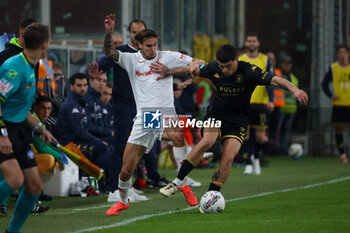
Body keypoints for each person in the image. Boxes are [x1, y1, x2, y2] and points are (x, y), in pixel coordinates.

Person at [158, 44, 308, 211]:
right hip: (216, 115)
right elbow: (191, 69)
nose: (224, 70)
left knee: (228, 157)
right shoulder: (213, 67)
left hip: (238, 122)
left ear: (236, 59)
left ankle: (209, 199)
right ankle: (177, 182)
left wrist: (295, 90)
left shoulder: (250, 71)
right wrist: (169, 72)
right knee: (207, 141)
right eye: (221, 66)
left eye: (228, 66)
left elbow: (276, 80)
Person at [102, 14, 205, 215]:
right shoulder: (131, 60)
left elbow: (200, 63)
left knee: (177, 136)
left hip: (165, 111)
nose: (153, 49)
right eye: (148, 45)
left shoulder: (167, 57)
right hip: (144, 117)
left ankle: (182, 182)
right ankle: (123, 201)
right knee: (125, 171)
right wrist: (108, 32)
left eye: (155, 44)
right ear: (139, 45)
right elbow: (108, 51)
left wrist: (174, 69)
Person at [98, 18, 169, 202]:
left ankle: (127, 187)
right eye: (134, 32)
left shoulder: (151, 54)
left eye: (141, 31)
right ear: (130, 34)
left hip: (147, 106)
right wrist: (97, 70)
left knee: (143, 147)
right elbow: (103, 63)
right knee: (121, 145)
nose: (137, 34)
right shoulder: (123, 52)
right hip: (124, 104)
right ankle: (115, 189)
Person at [0, 23, 57, 233]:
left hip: (20, 130)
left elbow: (21, 109)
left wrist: (41, 128)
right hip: (5, 129)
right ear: (45, 44)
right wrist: (2, 135)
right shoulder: (15, 68)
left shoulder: (32, 65)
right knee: (15, 179)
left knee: (33, 187)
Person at [0, 18, 38, 218]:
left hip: (24, 119)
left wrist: (38, 123)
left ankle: (28, 201)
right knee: (9, 168)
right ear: (21, 33)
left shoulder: (33, 59)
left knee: (26, 166)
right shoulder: (8, 58)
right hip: (7, 121)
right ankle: (2, 203)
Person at [55, 73, 110, 183]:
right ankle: (98, 183)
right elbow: (79, 131)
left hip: (78, 140)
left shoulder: (80, 102)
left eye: (85, 85)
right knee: (102, 148)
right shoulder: (71, 105)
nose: (83, 88)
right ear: (71, 86)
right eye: (79, 85)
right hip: (68, 144)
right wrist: (99, 140)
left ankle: (110, 181)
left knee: (111, 146)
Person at [239, 32, 274, 175]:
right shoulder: (240, 59)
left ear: (258, 43)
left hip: (261, 103)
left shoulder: (265, 60)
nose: (252, 43)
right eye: (249, 41)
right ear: (246, 44)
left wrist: (271, 100)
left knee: (260, 136)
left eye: (254, 41)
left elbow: (270, 81)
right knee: (245, 134)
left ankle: (257, 158)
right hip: (245, 103)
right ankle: (248, 162)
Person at [321, 45, 350, 163]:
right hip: (339, 104)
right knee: (339, 129)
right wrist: (330, 95)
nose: (342, 54)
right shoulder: (333, 68)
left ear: (348, 54)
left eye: (344, 52)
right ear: (337, 54)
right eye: (340, 52)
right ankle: (342, 154)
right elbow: (324, 83)